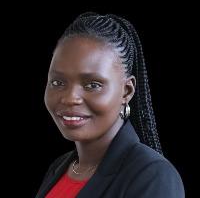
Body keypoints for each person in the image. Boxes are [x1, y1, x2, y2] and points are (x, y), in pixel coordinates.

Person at [35, 12, 185, 198]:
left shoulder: (152, 175)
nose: (70, 98)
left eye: (93, 85)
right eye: (58, 82)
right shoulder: (59, 168)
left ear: (127, 91)